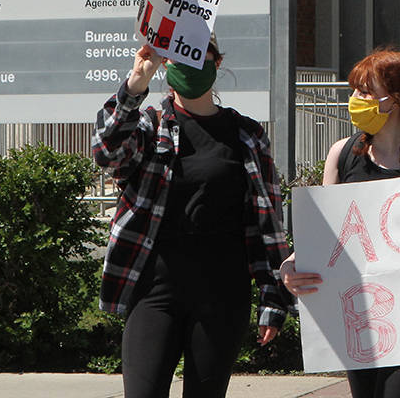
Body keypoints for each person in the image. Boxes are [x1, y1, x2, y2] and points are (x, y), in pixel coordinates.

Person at [92, 38, 289, 398]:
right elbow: (107, 153)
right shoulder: (151, 125)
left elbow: (267, 222)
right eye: (181, 57)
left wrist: (273, 297)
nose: (192, 64)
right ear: (167, 66)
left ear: (218, 63)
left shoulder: (246, 135)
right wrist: (135, 85)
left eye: (201, 55)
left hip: (222, 291)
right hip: (154, 287)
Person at [279, 48, 400, 398]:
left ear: (395, 100)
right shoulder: (342, 154)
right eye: (355, 90)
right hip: (359, 316)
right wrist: (291, 264)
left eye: (365, 91)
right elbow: (325, 234)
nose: (354, 100)